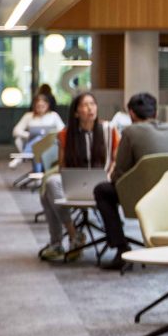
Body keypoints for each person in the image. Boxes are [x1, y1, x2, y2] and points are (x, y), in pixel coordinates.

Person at [93, 93, 168, 269]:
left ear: (131, 113)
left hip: (143, 198)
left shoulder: (130, 132)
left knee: (102, 190)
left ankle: (121, 248)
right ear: (156, 112)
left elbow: (119, 175)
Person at [38, 92, 115, 261]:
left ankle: (57, 242)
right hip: (74, 184)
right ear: (76, 112)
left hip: (103, 185)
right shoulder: (66, 135)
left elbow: (115, 161)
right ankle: (73, 235)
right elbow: (63, 166)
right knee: (51, 183)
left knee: (46, 194)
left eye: (93, 104)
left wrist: (109, 175)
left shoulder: (109, 131)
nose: (90, 108)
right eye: (85, 105)